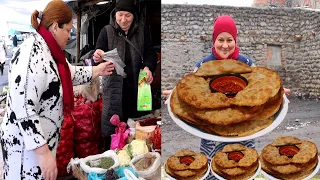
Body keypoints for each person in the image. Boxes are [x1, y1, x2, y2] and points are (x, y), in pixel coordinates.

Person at [163, 15, 290, 179]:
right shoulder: (203, 65)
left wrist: (277, 91)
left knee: (243, 169)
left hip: (244, 127)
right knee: (214, 170)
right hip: (211, 132)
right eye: (220, 39)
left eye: (229, 40)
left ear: (235, 41)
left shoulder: (247, 64)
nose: (224, 45)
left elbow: (260, 85)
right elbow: (192, 89)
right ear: (213, 40)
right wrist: (175, 96)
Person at [0, 1, 115, 180]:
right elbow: (23, 107)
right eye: (68, 30)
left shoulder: (51, 52)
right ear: (55, 27)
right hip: (26, 151)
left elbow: (70, 73)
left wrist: (98, 70)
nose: (70, 35)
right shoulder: (31, 54)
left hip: (42, 146)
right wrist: (43, 153)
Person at [93, 0, 157, 148]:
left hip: (137, 90)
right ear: (114, 14)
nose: (123, 19)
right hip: (115, 92)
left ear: (134, 15)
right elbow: (98, 53)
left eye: (128, 15)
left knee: (137, 134)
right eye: (120, 15)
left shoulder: (142, 31)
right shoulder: (106, 31)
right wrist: (98, 56)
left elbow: (150, 53)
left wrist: (148, 67)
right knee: (113, 133)